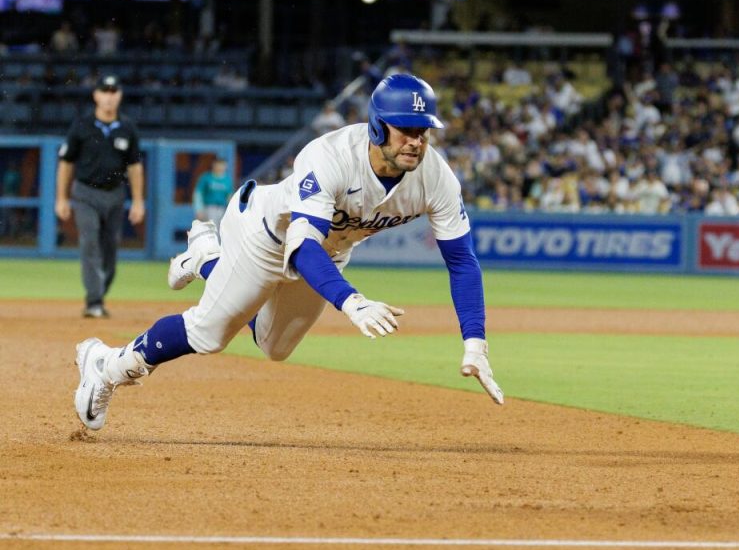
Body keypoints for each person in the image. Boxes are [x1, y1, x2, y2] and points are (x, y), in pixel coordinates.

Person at [72, 73, 503, 431]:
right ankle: (107, 365)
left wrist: (475, 342)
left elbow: (462, 261)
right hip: (265, 235)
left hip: (325, 255)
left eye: (424, 130)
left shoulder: (437, 178)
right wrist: (351, 302)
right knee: (210, 333)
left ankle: (206, 259)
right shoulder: (330, 156)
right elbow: (299, 246)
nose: (417, 140)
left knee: (274, 348)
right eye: (406, 129)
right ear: (376, 126)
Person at [55, 75, 146, 318]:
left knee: (110, 250)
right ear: (96, 95)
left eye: (113, 91)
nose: (109, 96)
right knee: (90, 241)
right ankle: (94, 300)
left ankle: (98, 294)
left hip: (115, 195)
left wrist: (138, 200)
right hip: (85, 193)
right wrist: (61, 198)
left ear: (119, 95)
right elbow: (66, 163)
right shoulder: (82, 125)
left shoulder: (127, 128)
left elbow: (135, 167)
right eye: (104, 91)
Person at [192, 156, 235, 226]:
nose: (220, 167)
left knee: (221, 230)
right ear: (214, 165)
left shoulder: (227, 180)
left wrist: (231, 210)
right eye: (218, 165)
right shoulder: (206, 177)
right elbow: (198, 194)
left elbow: (229, 196)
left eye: (222, 165)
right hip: (209, 208)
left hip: (222, 208)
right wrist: (199, 209)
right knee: (211, 229)